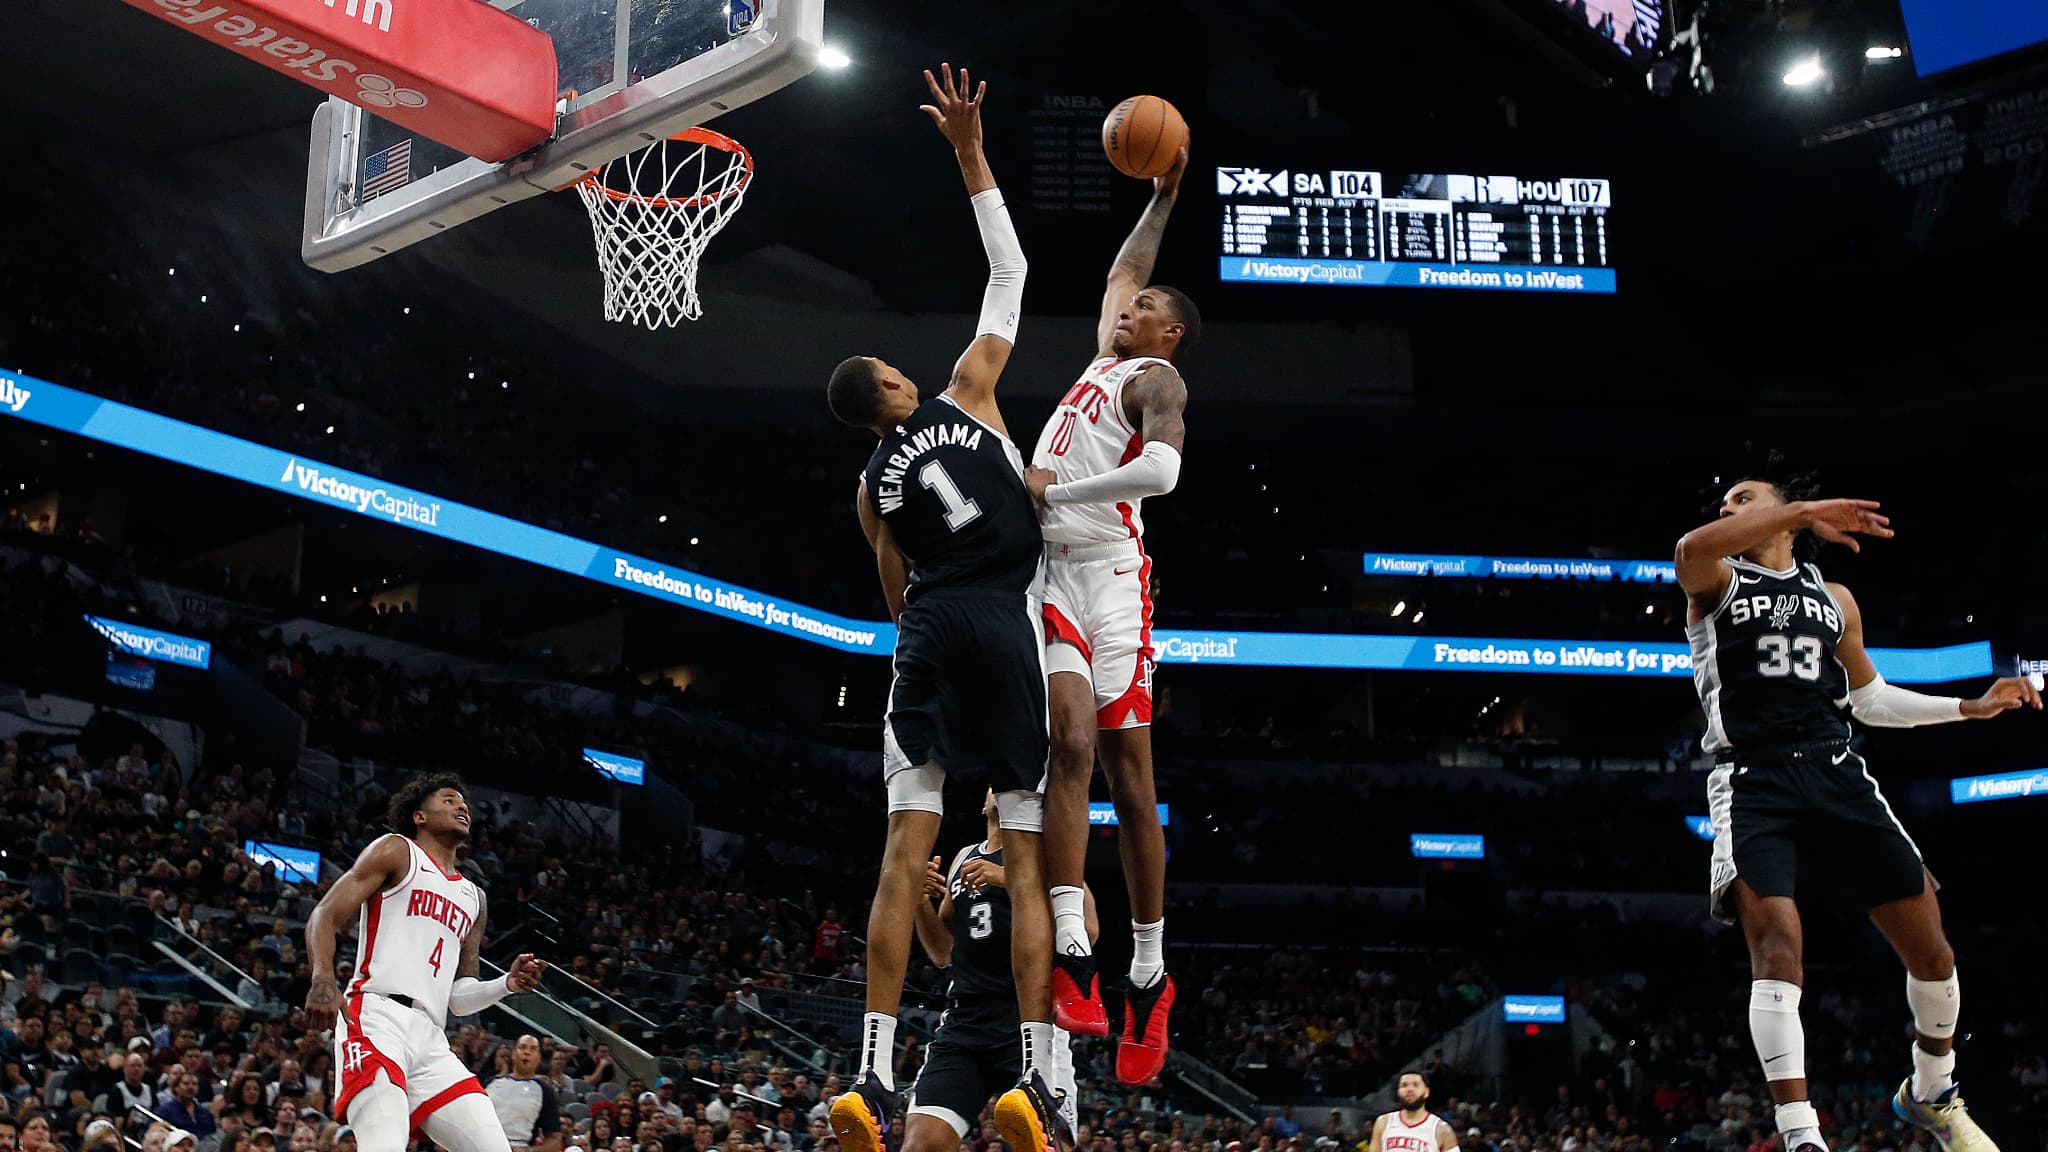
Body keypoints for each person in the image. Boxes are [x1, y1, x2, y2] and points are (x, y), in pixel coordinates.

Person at [824, 62, 1057, 1152]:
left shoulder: (868, 484)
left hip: (925, 632)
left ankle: (867, 1074)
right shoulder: (966, 387)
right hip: (1007, 618)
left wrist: (917, 639)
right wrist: (968, 152)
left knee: (898, 853)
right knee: (1025, 857)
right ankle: (1037, 1075)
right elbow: (1007, 269)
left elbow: (892, 593)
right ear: (893, 385)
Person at [1674, 469, 2041, 1152]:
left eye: (1743, 500)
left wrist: (1971, 706)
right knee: (1779, 946)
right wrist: (1806, 508)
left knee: (1932, 951)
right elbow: (1691, 546)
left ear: (1780, 517)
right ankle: (1801, 1134)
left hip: (1836, 771)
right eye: (1725, 505)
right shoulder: (1715, 582)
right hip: (1753, 781)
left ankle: (1932, 1091)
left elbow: (1868, 700)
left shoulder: (1833, 595)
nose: (1727, 510)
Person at [1020, 138, 1197, 1087]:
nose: (1128, 309)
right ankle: (1071, 951)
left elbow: (1164, 473)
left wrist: (1059, 495)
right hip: (1052, 574)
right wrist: (1165, 192)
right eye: (1126, 309)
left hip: (1114, 574)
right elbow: (1129, 263)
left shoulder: (1155, 382)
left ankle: (1149, 969)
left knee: (1131, 782)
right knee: (1069, 745)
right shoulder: (1103, 351)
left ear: (1167, 336)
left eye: (1145, 311)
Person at [303, 774, 547, 1152]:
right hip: (375, 1015)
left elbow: (459, 996)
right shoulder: (397, 851)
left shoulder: (473, 897)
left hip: (432, 1037)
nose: (461, 806)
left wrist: (506, 985)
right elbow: (325, 915)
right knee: (385, 1145)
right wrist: (322, 978)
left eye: (464, 803)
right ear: (419, 816)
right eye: (449, 800)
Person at [905, 792, 1095, 1152]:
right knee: (920, 1143)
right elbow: (944, 952)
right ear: (982, 803)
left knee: (1052, 1145)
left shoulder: (1049, 855)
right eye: (995, 785)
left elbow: (1089, 929)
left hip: (1029, 1022)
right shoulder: (963, 857)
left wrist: (1012, 879)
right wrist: (919, 902)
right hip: (966, 1024)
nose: (1003, 788)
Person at [486, 1035, 562, 1152]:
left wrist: (529, 1151)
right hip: (484, 1143)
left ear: (539, 1057)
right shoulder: (491, 1083)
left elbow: (555, 1141)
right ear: (513, 1054)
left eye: (533, 1049)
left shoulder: (544, 1091)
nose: (527, 1052)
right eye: (522, 1047)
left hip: (517, 1145)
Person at [1366, 1072, 1457, 1152]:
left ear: (1426, 1092)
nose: (1409, 1089)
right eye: (1404, 1085)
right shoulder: (1383, 1122)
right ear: (1398, 1092)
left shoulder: (1442, 1129)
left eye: (1416, 1085)